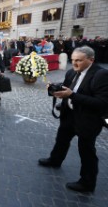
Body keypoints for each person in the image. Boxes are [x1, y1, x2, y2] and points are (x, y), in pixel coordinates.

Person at [38, 46, 108, 193]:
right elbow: (68, 89)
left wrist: (71, 96)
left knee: (86, 151)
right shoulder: (71, 72)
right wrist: (54, 89)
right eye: (73, 60)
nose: (75, 63)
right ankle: (55, 160)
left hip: (88, 120)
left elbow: (102, 103)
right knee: (61, 140)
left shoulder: (101, 75)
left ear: (91, 60)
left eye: (79, 61)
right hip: (69, 115)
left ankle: (87, 183)